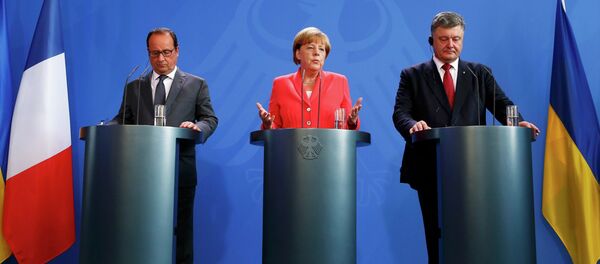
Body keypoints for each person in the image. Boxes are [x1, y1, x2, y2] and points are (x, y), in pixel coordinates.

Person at [392, 12, 540, 263]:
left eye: (456, 39)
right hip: (431, 167)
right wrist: (413, 125)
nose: (451, 45)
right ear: (432, 41)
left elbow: (503, 105)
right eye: (444, 39)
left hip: (476, 170)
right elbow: (400, 113)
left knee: (477, 235)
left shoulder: (478, 73)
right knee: (437, 235)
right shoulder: (412, 75)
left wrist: (519, 121)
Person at [112, 27, 218, 263]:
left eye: (167, 52)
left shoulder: (195, 84)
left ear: (177, 51)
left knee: (180, 230)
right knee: (139, 229)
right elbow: (123, 119)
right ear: (148, 53)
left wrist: (197, 128)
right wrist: (106, 128)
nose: (161, 59)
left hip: (180, 168)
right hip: (140, 173)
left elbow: (210, 119)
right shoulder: (134, 86)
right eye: (155, 53)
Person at [256, 27, 362, 130]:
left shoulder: (340, 82)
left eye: (321, 49)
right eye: (311, 47)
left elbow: (347, 128)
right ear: (298, 54)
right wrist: (268, 124)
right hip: (290, 147)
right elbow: (275, 125)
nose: (317, 53)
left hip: (330, 147)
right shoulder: (281, 84)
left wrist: (352, 121)